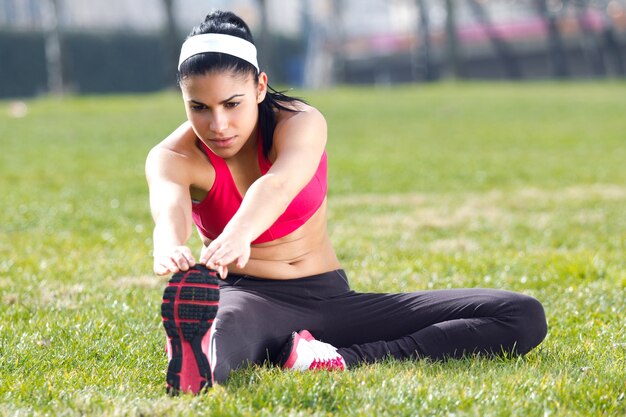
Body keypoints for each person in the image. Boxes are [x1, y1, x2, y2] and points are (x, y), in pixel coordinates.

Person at [146, 10, 547, 395]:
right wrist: (169, 247)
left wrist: (238, 232)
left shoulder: (300, 123)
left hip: (331, 300)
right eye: (199, 107)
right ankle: (199, 352)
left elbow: (279, 185)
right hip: (246, 296)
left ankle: (338, 358)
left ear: (260, 87)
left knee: (521, 314)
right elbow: (169, 211)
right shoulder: (174, 157)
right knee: (224, 331)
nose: (217, 125)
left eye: (232, 104)